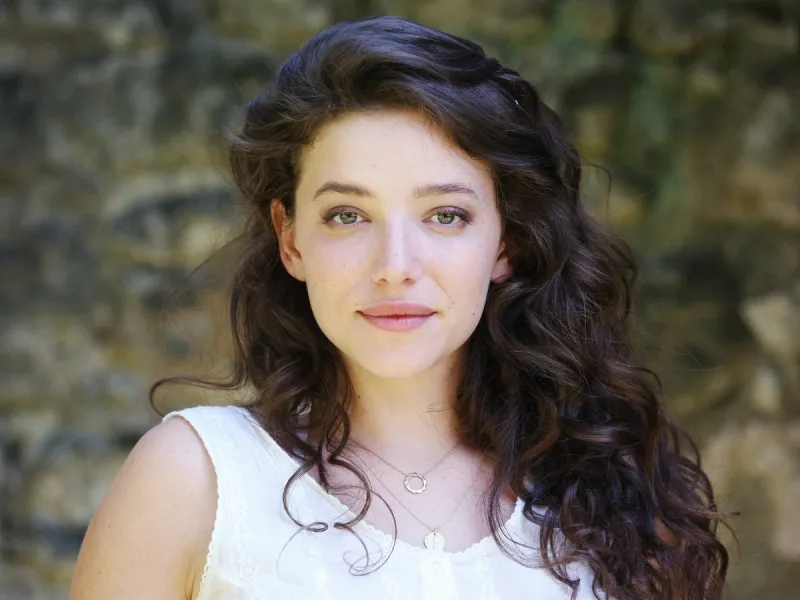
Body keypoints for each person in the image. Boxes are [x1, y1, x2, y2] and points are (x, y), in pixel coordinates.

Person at [69, 15, 730, 600]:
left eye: (445, 215)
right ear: (291, 238)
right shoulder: (196, 481)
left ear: (505, 241)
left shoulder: (606, 502)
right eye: (348, 215)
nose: (395, 267)